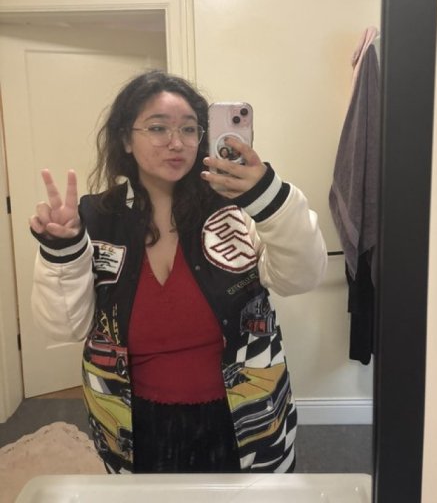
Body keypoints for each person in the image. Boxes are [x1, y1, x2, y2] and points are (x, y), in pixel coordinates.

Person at [29, 70, 327, 475]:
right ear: (125, 139)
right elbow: (65, 326)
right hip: (134, 423)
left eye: (189, 129)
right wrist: (62, 249)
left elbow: (301, 277)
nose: (177, 142)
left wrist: (271, 200)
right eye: (158, 128)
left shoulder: (239, 206)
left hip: (243, 416)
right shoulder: (97, 219)